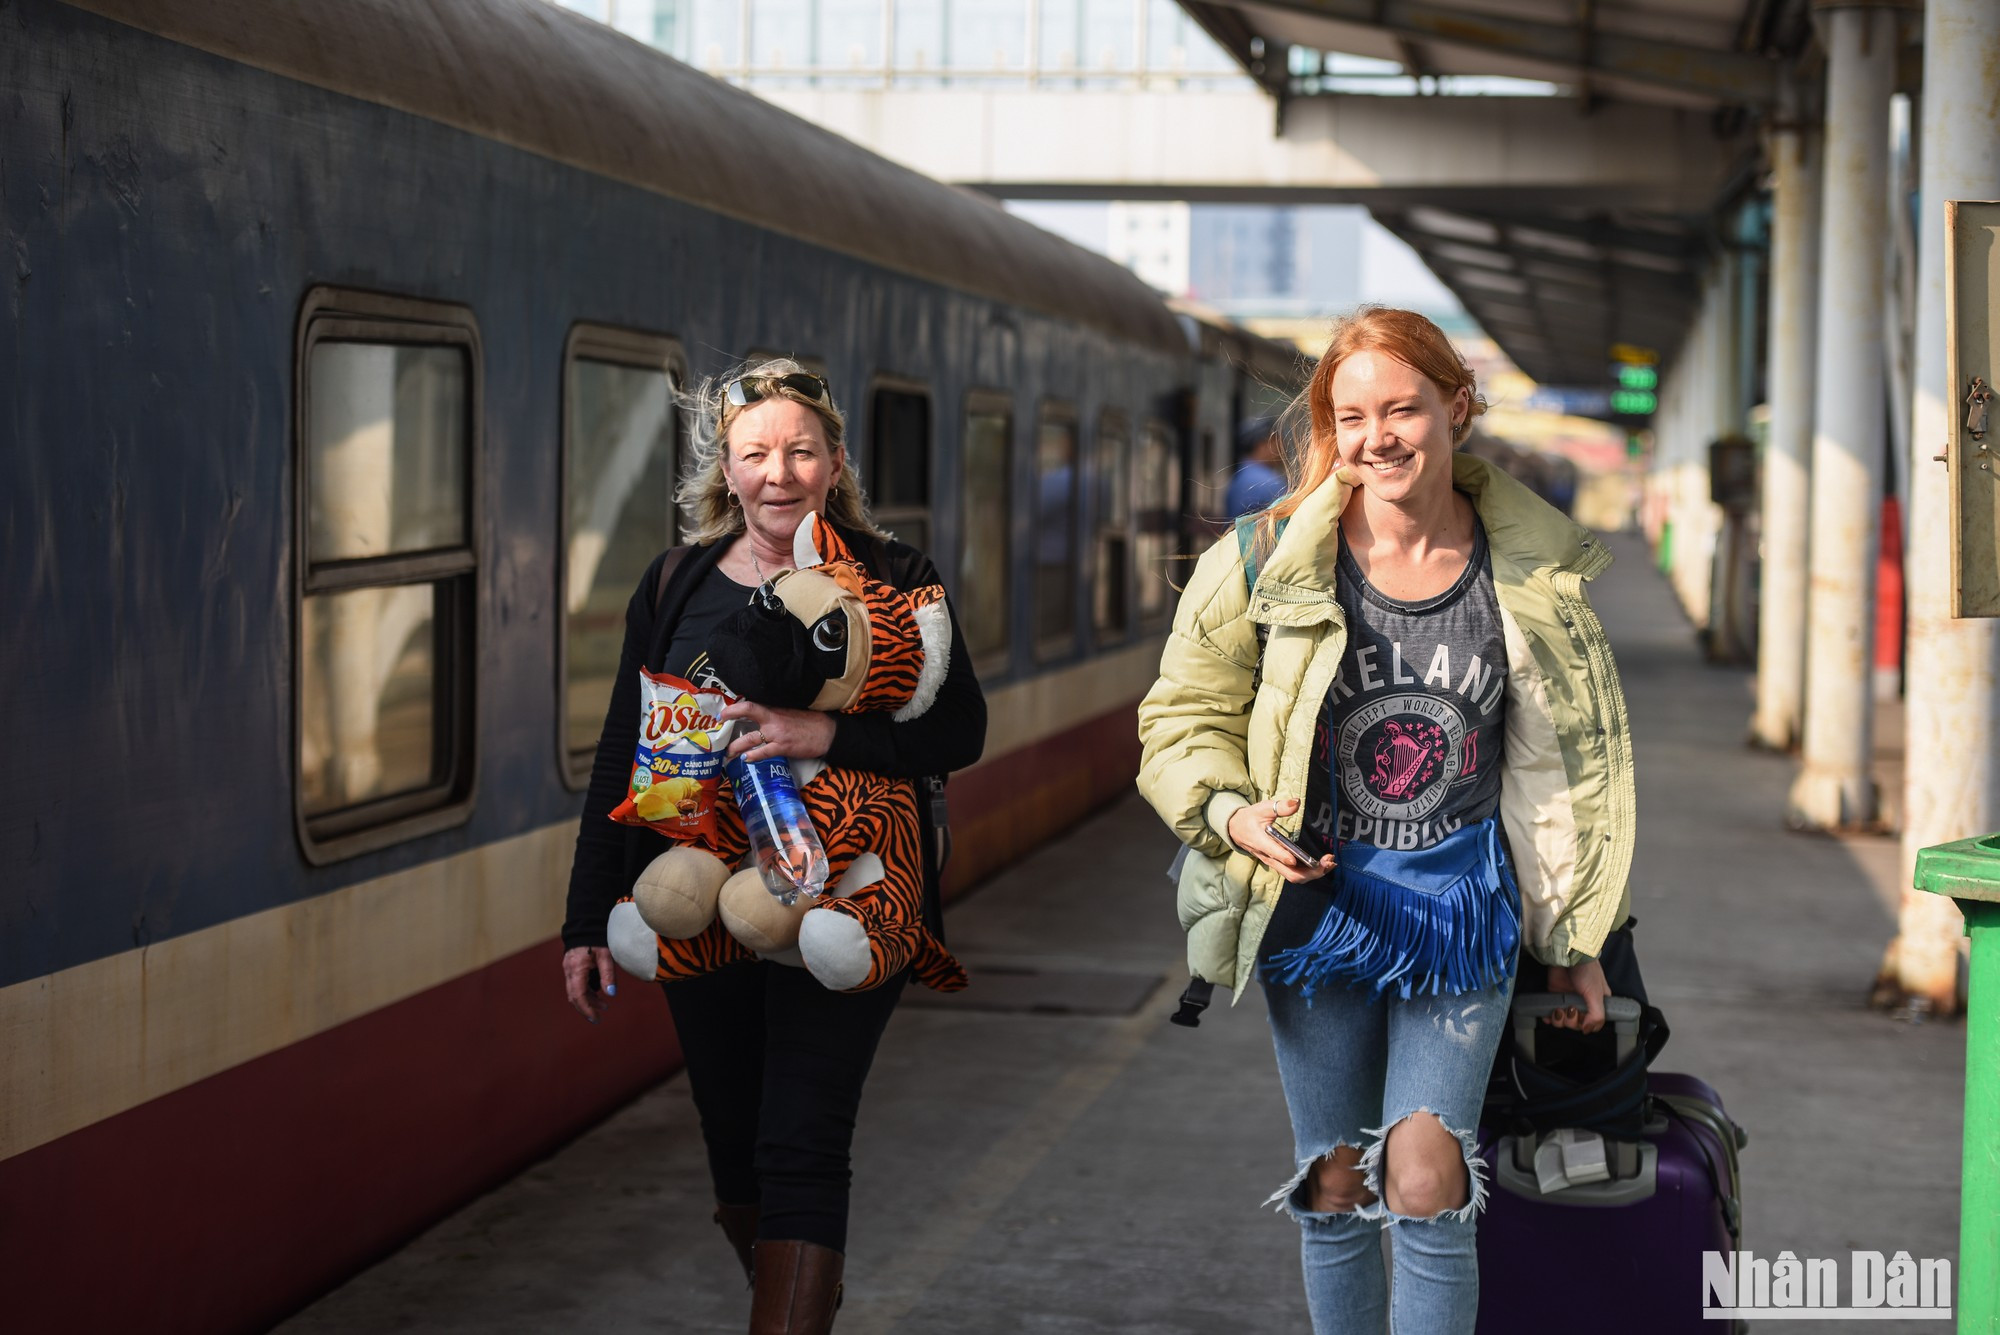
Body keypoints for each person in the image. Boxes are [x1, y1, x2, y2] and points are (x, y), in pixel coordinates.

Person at [1136, 308, 1636, 1335]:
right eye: (1350, 414)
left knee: (1422, 1183)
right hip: (1317, 910)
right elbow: (1180, 719)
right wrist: (1231, 816)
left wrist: (1575, 941)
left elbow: (1562, 777)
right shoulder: (1261, 561)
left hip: (1460, 912)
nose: (1377, 438)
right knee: (1333, 1187)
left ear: (1456, 407)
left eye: (1402, 408)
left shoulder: (1527, 575)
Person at [561, 358, 985, 1334]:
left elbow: (958, 730)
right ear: (727, 466)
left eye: (800, 450)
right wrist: (587, 917)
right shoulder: (676, 584)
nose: (778, 472)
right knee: (735, 1144)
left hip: (849, 893)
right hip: (703, 891)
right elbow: (626, 757)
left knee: (801, 1140)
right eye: (756, 453)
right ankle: (796, 1294)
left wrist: (824, 735)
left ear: (834, 462)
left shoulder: (893, 578)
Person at [1225, 414, 1287, 518]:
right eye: (1276, 441)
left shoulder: (1240, 476)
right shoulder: (1269, 482)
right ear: (1261, 445)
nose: (1282, 448)